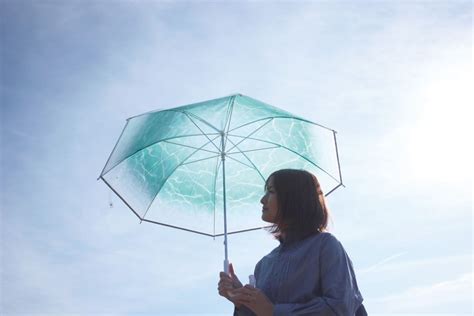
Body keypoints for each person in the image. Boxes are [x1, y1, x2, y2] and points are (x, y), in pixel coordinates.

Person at [218, 169, 367, 316]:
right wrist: (241, 301)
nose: (262, 200)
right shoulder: (263, 265)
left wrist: (272, 311)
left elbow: (340, 308)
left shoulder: (325, 246)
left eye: (270, 191)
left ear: (293, 198)